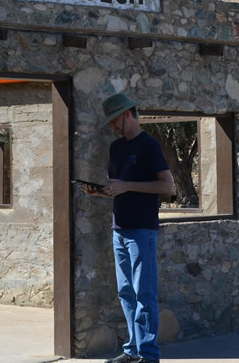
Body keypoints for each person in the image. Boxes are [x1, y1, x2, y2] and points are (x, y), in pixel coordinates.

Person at [80, 93, 175, 363]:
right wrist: (99, 192)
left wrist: (128, 186)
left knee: (145, 293)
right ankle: (133, 351)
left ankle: (149, 355)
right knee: (126, 293)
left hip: (142, 231)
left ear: (128, 114)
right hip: (118, 230)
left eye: (114, 121)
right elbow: (116, 188)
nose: (112, 126)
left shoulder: (149, 145)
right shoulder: (116, 148)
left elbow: (168, 187)